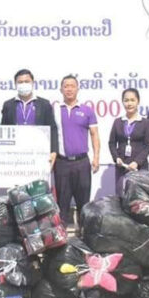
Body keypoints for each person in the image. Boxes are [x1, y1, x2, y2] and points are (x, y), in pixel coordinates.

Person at [53, 75, 100, 226]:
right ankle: (62, 236)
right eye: (66, 86)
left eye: (72, 86)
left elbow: (94, 134)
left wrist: (96, 158)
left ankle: (84, 234)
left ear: (77, 88)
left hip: (82, 163)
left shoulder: (87, 111)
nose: (69, 89)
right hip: (62, 163)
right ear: (61, 89)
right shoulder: (54, 110)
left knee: (84, 203)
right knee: (62, 203)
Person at [1, 69, 58, 168]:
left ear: (33, 83)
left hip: (38, 153)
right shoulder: (8, 105)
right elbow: (4, 130)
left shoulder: (44, 104)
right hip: (15, 155)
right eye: (20, 82)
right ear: (15, 84)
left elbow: (52, 128)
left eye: (26, 81)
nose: (23, 84)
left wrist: (53, 151)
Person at [108, 88, 149, 189]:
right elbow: (112, 143)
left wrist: (137, 162)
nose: (129, 103)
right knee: (122, 195)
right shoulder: (118, 122)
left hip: (139, 167)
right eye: (126, 100)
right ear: (122, 102)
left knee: (139, 196)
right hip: (122, 167)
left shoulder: (145, 123)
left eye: (132, 100)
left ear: (138, 101)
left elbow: (148, 145)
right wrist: (116, 158)